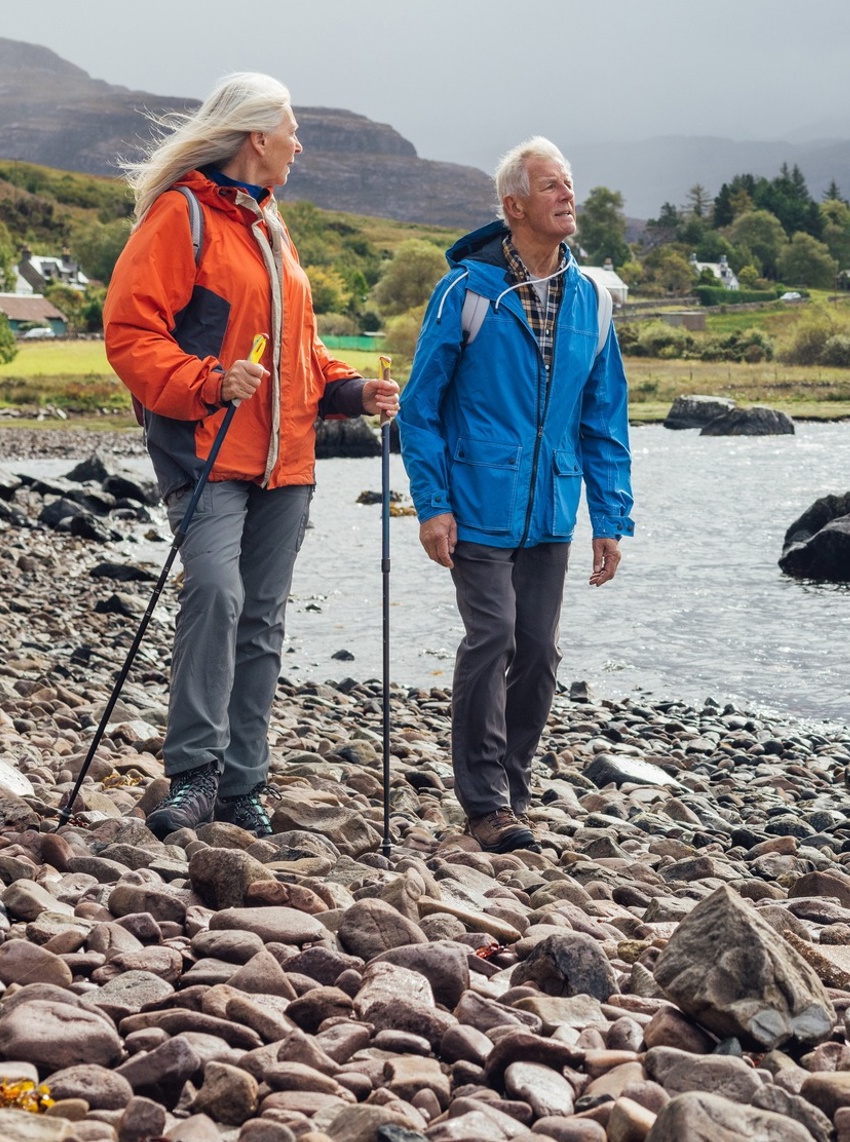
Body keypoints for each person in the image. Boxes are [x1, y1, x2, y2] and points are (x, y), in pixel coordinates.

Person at [105, 73, 399, 839]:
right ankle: (195, 773)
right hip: (205, 451)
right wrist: (209, 380)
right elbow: (132, 334)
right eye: (292, 131)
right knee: (216, 594)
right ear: (257, 137)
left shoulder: (272, 225)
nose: (300, 145)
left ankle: (242, 785)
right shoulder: (182, 217)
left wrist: (349, 392)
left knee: (262, 619)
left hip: (286, 462)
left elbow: (300, 351)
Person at [401, 136, 632, 852]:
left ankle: (513, 787)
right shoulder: (467, 292)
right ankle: (484, 800)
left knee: (538, 650)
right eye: (551, 186)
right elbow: (421, 405)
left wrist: (610, 517)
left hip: (553, 506)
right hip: (475, 500)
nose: (568, 196)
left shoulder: (593, 298)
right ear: (514, 206)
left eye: (569, 183)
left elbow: (603, 417)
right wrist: (432, 503)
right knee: (492, 634)